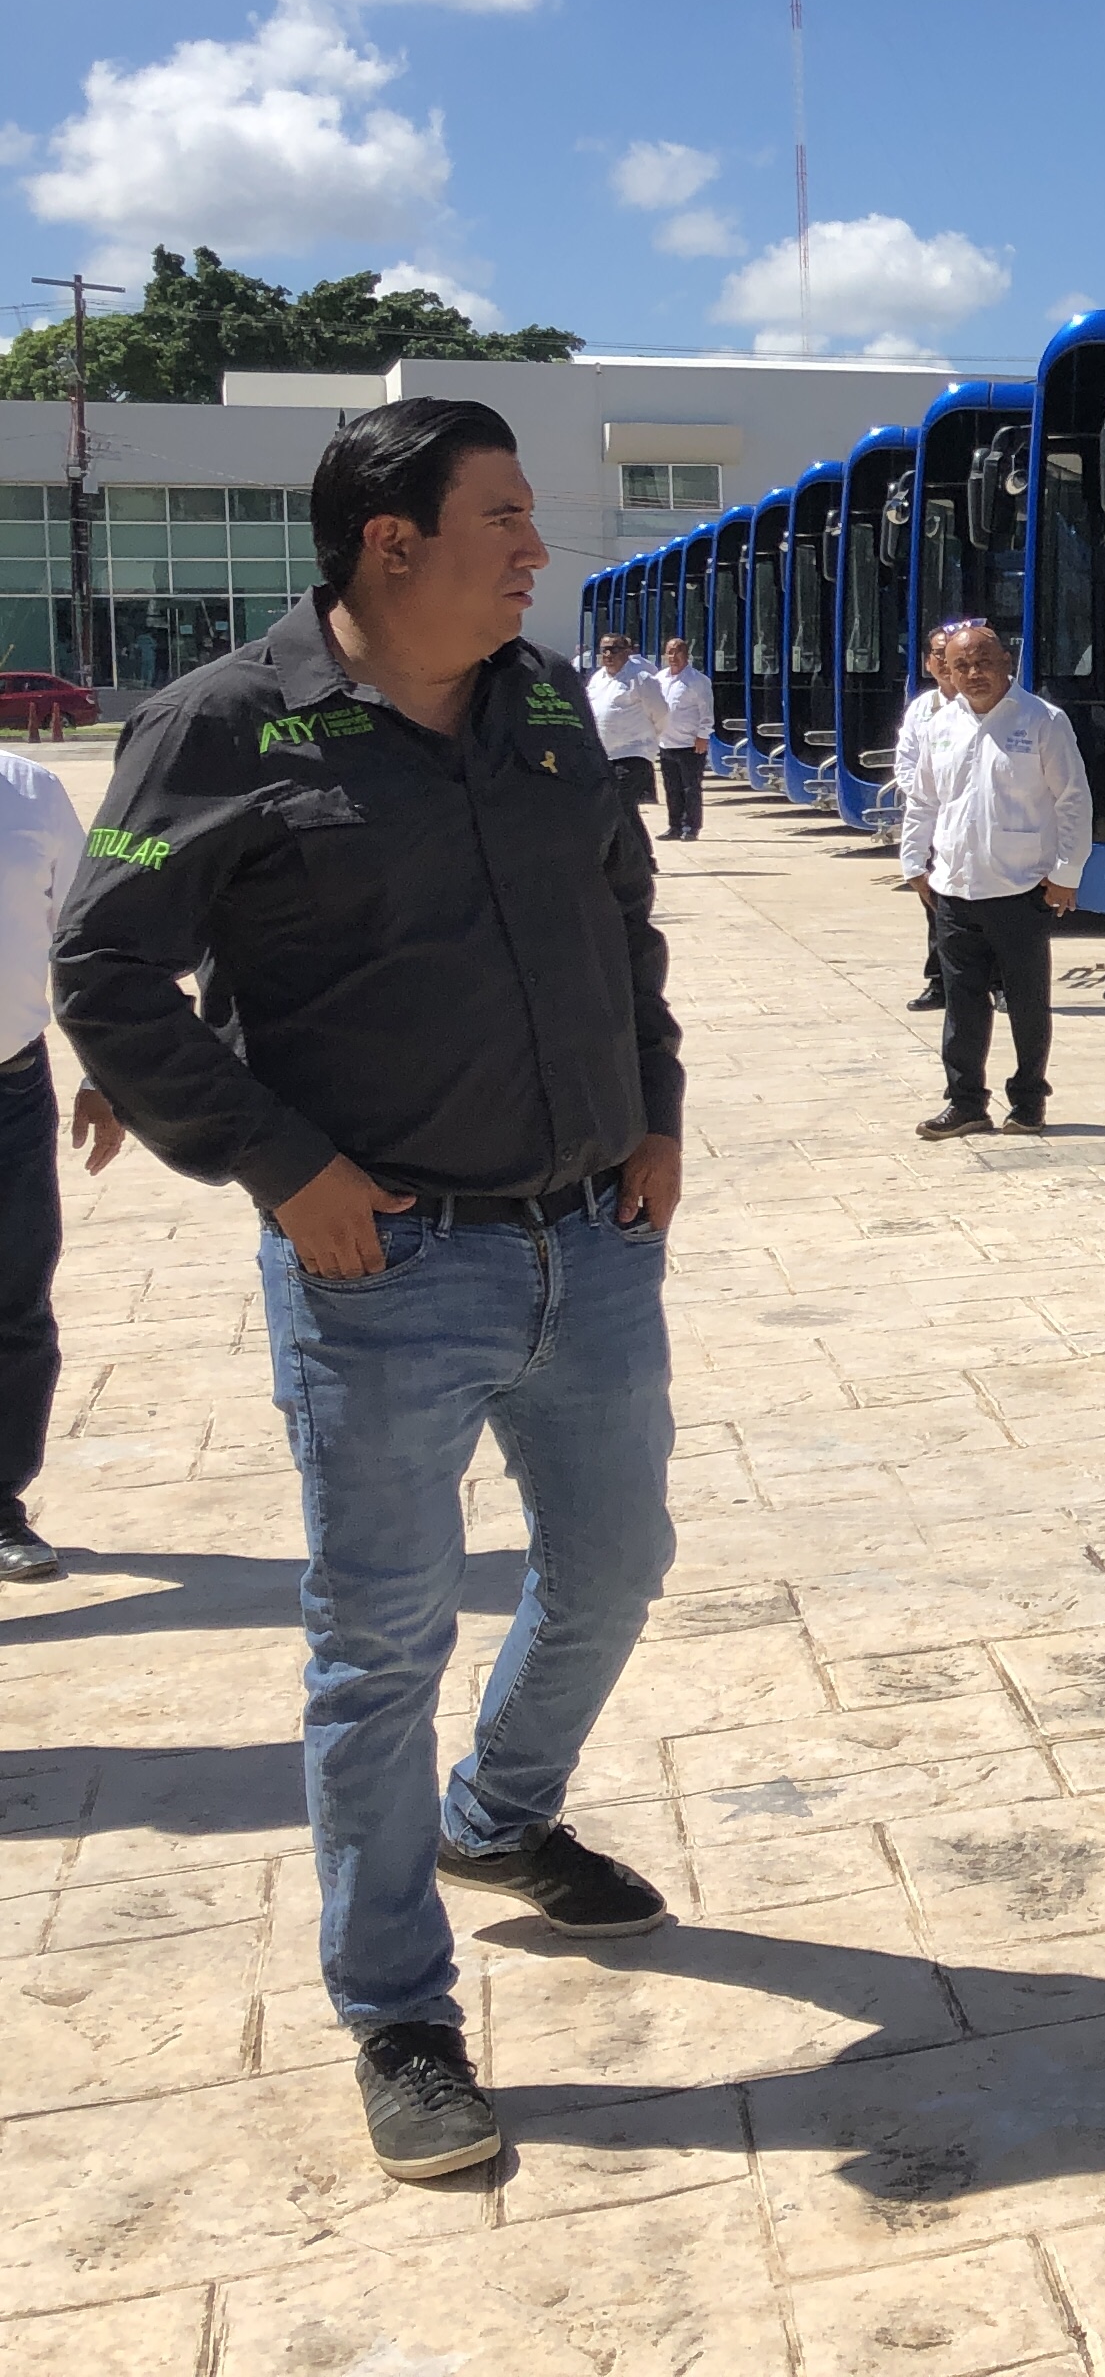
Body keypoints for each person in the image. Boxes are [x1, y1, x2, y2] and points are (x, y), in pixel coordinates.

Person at [53, 396, 686, 2188]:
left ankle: (502, 1810)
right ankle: (399, 2009)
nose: (535, 547)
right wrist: (281, 1165)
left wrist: (659, 1109)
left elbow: (621, 916)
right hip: (381, 1266)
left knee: (619, 1558)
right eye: (502, 516)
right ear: (386, 543)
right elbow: (106, 965)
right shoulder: (222, 727)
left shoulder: (550, 703)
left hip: (592, 1241)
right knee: (377, 1644)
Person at [0, 743, 125, 1583]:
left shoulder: (28, 791)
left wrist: (107, 1072)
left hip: (7, 1084)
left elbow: (91, 939)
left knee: (13, 1298)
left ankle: (0, 1499)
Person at [899, 621, 1088, 1138]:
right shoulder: (940, 725)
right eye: (960, 666)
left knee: (1027, 1003)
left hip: (1021, 888)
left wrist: (1066, 875)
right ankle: (965, 1103)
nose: (973, 674)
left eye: (983, 662)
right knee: (961, 1004)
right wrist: (915, 864)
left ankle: (1028, 1101)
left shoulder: (1042, 720)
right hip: (956, 888)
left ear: (1008, 662)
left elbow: (1072, 800)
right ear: (946, 671)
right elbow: (924, 800)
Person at [890, 629, 964, 1012]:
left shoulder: (984, 704)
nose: (943, 663)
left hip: (974, 823)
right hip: (934, 821)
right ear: (928, 663)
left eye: (948, 655)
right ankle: (940, 983)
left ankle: (1000, 984)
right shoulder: (922, 709)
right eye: (936, 655)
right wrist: (926, 791)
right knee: (935, 907)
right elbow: (905, 762)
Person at [586, 635, 664, 811]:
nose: (607, 654)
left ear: (627, 652)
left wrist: (651, 737)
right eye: (603, 650)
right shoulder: (598, 678)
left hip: (633, 753)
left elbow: (661, 714)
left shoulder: (641, 678)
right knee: (625, 813)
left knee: (617, 806)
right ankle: (637, 840)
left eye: (613, 650)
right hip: (605, 755)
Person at [650, 637, 711, 841]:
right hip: (666, 742)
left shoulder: (697, 681)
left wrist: (703, 735)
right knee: (671, 789)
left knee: (690, 788)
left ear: (686, 655)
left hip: (690, 744)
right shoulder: (659, 678)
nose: (672, 656)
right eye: (669, 652)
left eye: (677, 652)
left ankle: (690, 827)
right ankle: (674, 826)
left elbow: (706, 711)